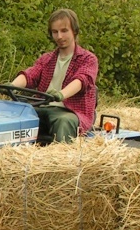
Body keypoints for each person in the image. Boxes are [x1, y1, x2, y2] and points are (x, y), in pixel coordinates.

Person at [9, 9, 98, 142]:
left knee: (63, 121)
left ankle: (62, 160)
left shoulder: (87, 59)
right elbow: (30, 75)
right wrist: (11, 86)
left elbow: (81, 80)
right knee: (14, 116)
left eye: (64, 31)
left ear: (74, 31)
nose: (59, 36)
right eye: (55, 32)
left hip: (71, 111)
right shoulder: (47, 59)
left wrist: (61, 94)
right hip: (43, 107)